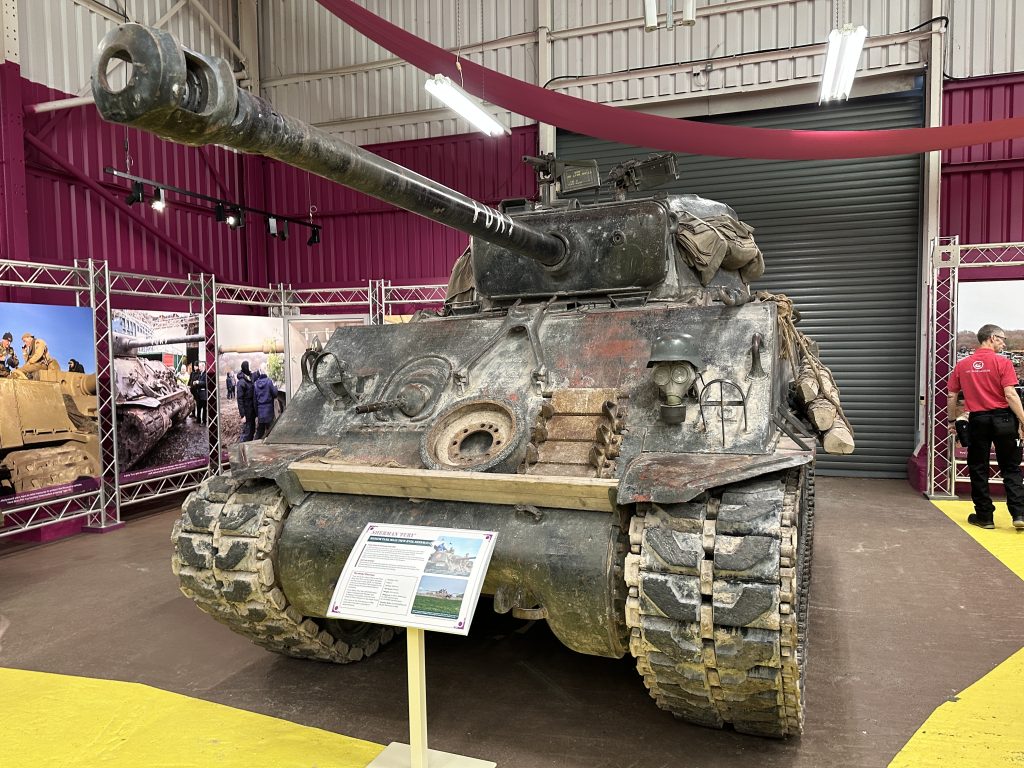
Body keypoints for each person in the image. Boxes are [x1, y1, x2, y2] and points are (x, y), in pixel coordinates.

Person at [946, 323, 1024, 530]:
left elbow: (952, 395)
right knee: (1011, 467)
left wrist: (952, 421)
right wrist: (1023, 420)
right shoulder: (1003, 363)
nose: (1003, 342)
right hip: (1004, 420)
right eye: (1002, 339)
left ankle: (985, 517)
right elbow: (1010, 394)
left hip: (978, 420)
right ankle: (1019, 514)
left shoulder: (962, 365)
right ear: (991, 337)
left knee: (978, 468)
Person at [253, 369, 279, 440]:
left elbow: (254, 401)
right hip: (269, 411)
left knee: (259, 432)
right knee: (271, 431)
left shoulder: (255, 384)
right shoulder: (269, 381)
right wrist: (275, 387)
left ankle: (254, 446)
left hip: (260, 411)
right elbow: (275, 394)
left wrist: (257, 414)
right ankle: (273, 447)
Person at [235, 361, 256, 442]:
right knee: (247, 433)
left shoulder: (250, 378)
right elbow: (239, 399)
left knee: (251, 431)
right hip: (247, 412)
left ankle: (247, 450)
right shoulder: (241, 382)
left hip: (252, 411)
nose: (248, 368)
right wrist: (242, 415)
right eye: (247, 366)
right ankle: (240, 450)